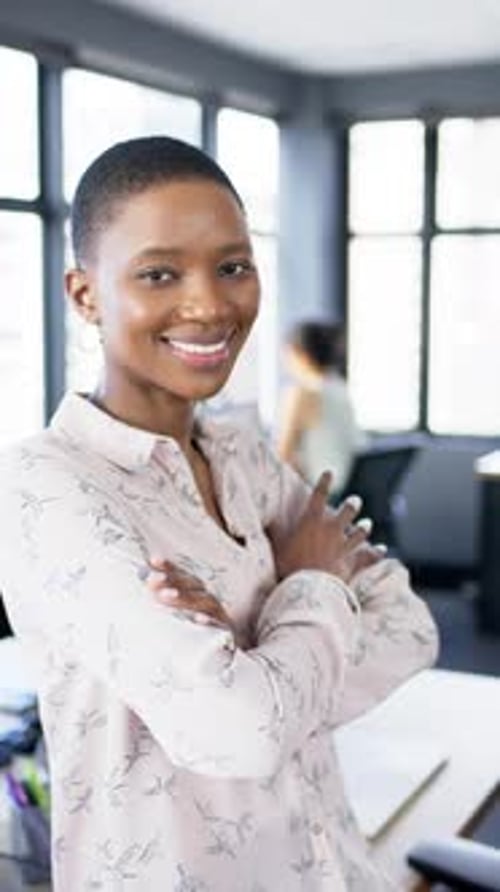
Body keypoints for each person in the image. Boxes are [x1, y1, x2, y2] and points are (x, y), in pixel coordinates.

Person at [0, 136, 438, 892]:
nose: (208, 304)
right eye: (159, 273)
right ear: (85, 294)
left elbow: (411, 628)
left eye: (232, 266)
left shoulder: (241, 453)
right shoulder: (44, 487)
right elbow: (239, 734)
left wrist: (247, 658)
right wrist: (311, 585)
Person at [278, 320, 367, 495]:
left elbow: (282, 458)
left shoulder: (304, 393)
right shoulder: (340, 388)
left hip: (322, 496)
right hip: (347, 492)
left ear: (299, 354)